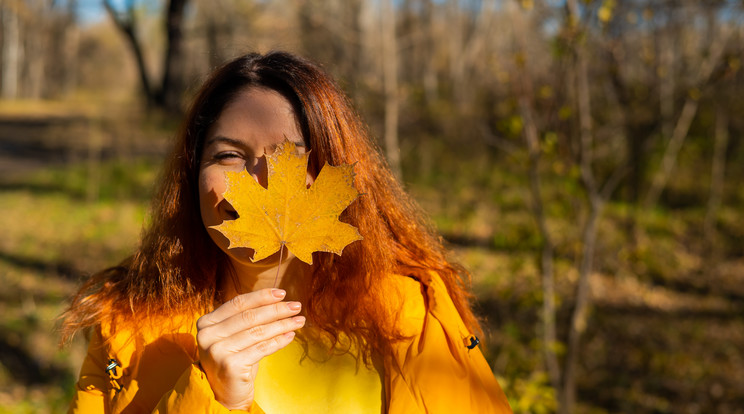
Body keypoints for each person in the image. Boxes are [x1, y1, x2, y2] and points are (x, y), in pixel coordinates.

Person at [61, 51, 512, 413]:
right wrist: (215, 401)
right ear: (192, 174)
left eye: (288, 159)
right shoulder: (128, 330)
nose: (259, 182)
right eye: (229, 156)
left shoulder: (413, 317)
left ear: (335, 173)